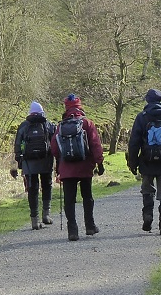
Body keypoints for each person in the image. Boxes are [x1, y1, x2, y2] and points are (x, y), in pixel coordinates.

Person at [125, 87, 161, 236]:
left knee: (147, 190)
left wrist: (133, 163)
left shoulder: (141, 117)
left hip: (146, 162)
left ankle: (148, 216)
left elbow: (134, 143)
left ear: (147, 100)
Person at [50, 94, 104, 242]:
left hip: (67, 169)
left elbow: (54, 147)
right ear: (80, 106)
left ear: (66, 108)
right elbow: (95, 144)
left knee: (69, 199)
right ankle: (90, 226)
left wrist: (60, 162)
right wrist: (99, 163)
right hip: (85, 166)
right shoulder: (87, 123)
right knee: (87, 196)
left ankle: (72, 231)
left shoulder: (61, 126)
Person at [11, 101, 54, 229]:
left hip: (28, 163)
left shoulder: (23, 126)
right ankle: (46, 215)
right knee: (47, 186)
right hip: (46, 160)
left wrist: (18, 163)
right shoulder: (47, 124)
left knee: (32, 189)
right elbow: (54, 143)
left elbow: (17, 146)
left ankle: (34, 220)